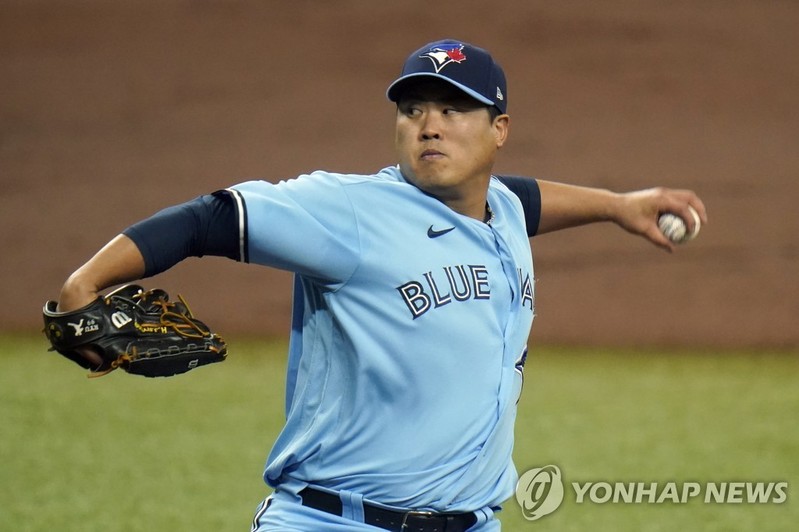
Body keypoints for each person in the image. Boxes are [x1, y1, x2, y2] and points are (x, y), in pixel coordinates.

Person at [55, 39, 707, 531]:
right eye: (413, 109)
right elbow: (210, 218)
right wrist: (85, 283)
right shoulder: (348, 212)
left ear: (499, 130)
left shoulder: (502, 210)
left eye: (454, 109)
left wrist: (617, 205)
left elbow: (525, 199)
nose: (429, 124)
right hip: (332, 520)